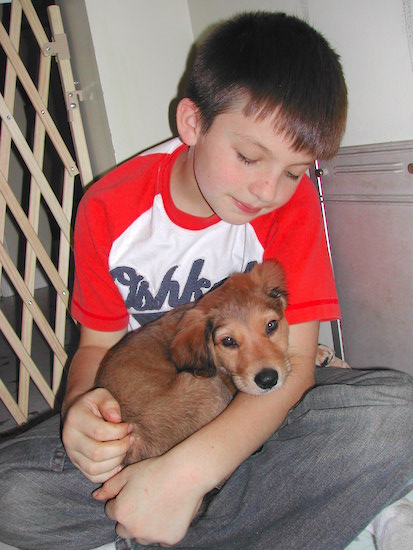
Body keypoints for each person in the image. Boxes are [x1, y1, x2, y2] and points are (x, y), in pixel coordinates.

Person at [1, 11, 412, 550]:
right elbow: (95, 346)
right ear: (192, 123)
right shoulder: (108, 207)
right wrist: (84, 412)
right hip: (148, 425)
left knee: (393, 416)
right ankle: (249, 511)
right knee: (12, 492)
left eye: (294, 171)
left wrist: (186, 474)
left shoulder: (292, 210)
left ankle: (174, 510)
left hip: (263, 408)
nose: (269, 190)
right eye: (248, 157)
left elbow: (292, 373)